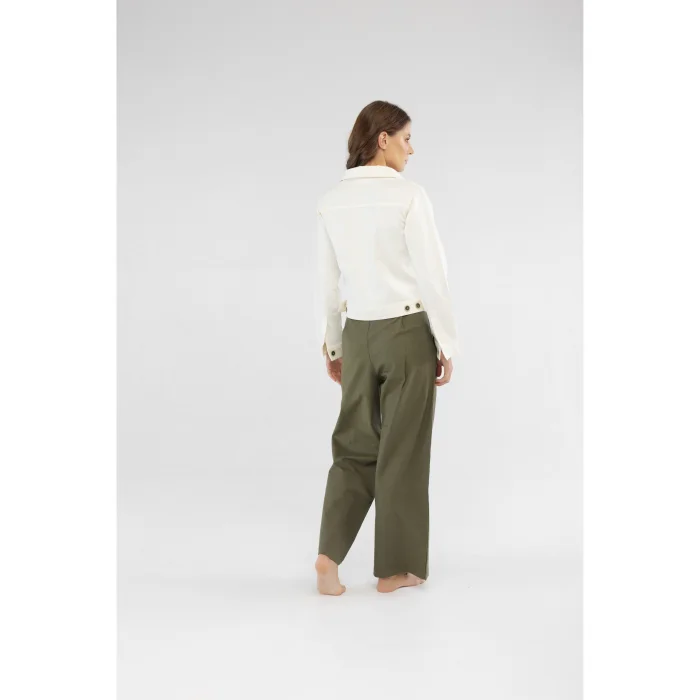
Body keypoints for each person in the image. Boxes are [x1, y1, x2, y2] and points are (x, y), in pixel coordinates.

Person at [314, 100, 459, 595]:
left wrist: (334, 346)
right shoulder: (409, 196)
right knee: (403, 450)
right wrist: (446, 340)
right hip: (405, 332)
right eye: (406, 139)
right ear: (383, 139)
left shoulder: (331, 201)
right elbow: (432, 274)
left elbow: (326, 281)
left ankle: (328, 556)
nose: (411, 150)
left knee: (354, 448)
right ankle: (395, 570)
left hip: (357, 332)